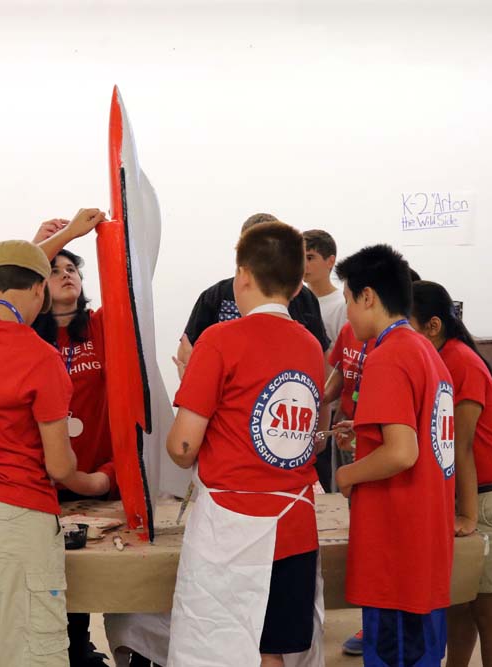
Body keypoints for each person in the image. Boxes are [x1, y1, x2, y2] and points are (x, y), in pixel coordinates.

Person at [0, 232, 109, 667]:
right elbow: (58, 465)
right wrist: (100, 479)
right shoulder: (39, 356)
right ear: (37, 289)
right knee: (32, 649)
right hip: (13, 514)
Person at [166, 221, 329, 667]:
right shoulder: (312, 346)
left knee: (227, 650)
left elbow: (182, 445)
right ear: (299, 284)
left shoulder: (219, 340)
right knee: (274, 649)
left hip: (233, 526)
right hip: (294, 519)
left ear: (242, 275)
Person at [333, 245, 455, 667]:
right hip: (423, 545)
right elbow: (409, 435)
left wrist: (348, 474)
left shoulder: (388, 356)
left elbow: (402, 453)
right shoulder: (424, 351)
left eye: (348, 300)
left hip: (397, 549)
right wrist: (365, 436)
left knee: (396, 656)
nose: (347, 314)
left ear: (368, 296)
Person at [410, 280, 492, 667]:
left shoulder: (459, 361)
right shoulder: (441, 358)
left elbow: (459, 446)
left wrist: (465, 515)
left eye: (406, 325)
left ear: (433, 326)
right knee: (459, 605)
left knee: (488, 611)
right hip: (477, 494)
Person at [32, 245, 115, 667]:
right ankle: (73, 649)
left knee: (102, 572)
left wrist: (104, 475)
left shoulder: (101, 325)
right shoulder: (29, 336)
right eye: (53, 270)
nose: (66, 275)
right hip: (44, 482)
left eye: (72, 269)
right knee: (55, 575)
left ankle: (101, 648)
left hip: (99, 477)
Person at [173, 213, 330, 378]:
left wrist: (321, 397)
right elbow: (186, 349)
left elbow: (321, 353)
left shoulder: (304, 298)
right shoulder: (215, 295)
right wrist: (195, 379)